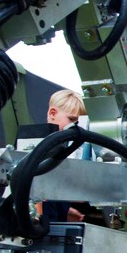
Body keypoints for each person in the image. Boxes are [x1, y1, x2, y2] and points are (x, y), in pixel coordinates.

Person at [39, 89, 87, 223]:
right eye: (71, 120)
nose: (75, 127)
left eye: (78, 123)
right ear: (53, 113)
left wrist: (66, 210)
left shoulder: (66, 150)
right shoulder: (37, 146)